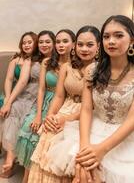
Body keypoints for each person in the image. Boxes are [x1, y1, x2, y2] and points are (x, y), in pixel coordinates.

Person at [28, 25, 100, 183]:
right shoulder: (67, 67)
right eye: (80, 44)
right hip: (65, 107)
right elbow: (59, 96)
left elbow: (96, 106)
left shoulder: (102, 70)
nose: (84, 49)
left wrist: (67, 119)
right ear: (75, 46)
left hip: (88, 114)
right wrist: (50, 116)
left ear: (98, 46)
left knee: (68, 155)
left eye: (89, 45)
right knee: (48, 136)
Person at [74, 15, 134, 183]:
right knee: (81, 167)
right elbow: (86, 110)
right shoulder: (92, 69)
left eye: (118, 35)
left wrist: (101, 149)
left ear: (132, 41)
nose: (111, 41)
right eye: (106, 36)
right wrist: (84, 147)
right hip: (93, 128)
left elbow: (132, 119)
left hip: (125, 137)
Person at [16, 29, 75, 183]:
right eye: (58, 42)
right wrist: (37, 115)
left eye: (65, 41)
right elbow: (41, 89)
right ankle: (26, 177)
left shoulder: (74, 65)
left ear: (72, 44)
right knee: (28, 127)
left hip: (61, 105)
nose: (61, 45)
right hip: (44, 100)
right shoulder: (47, 62)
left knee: (39, 135)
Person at [0, 31, 40, 178]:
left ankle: (10, 160)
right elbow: (9, 79)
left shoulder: (38, 59)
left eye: (30, 42)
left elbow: (24, 81)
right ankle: (9, 158)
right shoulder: (16, 59)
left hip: (32, 95)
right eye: (24, 42)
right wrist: (7, 99)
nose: (26, 45)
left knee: (17, 111)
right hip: (17, 93)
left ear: (35, 43)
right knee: (11, 110)